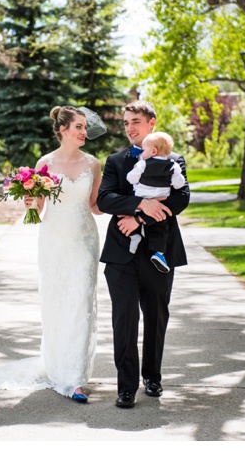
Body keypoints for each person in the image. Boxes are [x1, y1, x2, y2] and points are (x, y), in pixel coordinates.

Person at [0, 105, 105, 403]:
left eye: (84, 127)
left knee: (81, 302)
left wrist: (126, 203)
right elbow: (39, 208)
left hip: (84, 238)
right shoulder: (46, 162)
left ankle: (76, 379)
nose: (84, 132)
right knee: (57, 301)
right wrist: (29, 199)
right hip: (54, 238)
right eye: (78, 127)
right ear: (63, 130)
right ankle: (57, 367)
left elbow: (95, 205)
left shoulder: (93, 164)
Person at [97, 100, 190, 409]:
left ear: (152, 123)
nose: (130, 127)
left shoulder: (174, 158)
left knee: (156, 316)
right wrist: (138, 204)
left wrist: (140, 217)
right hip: (121, 254)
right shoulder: (116, 160)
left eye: (135, 120)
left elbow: (181, 198)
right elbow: (106, 199)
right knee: (124, 319)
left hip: (160, 254)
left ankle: (153, 377)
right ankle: (126, 387)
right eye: (125, 122)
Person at [125, 131, 185, 273]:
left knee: (128, 211)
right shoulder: (173, 165)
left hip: (141, 198)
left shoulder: (143, 164)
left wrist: (135, 171)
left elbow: (130, 179)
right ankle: (159, 253)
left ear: (153, 151)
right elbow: (179, 185)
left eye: (144, 150)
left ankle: (134, 235)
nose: (142, 153)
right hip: (161, 201)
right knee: (160, 226)